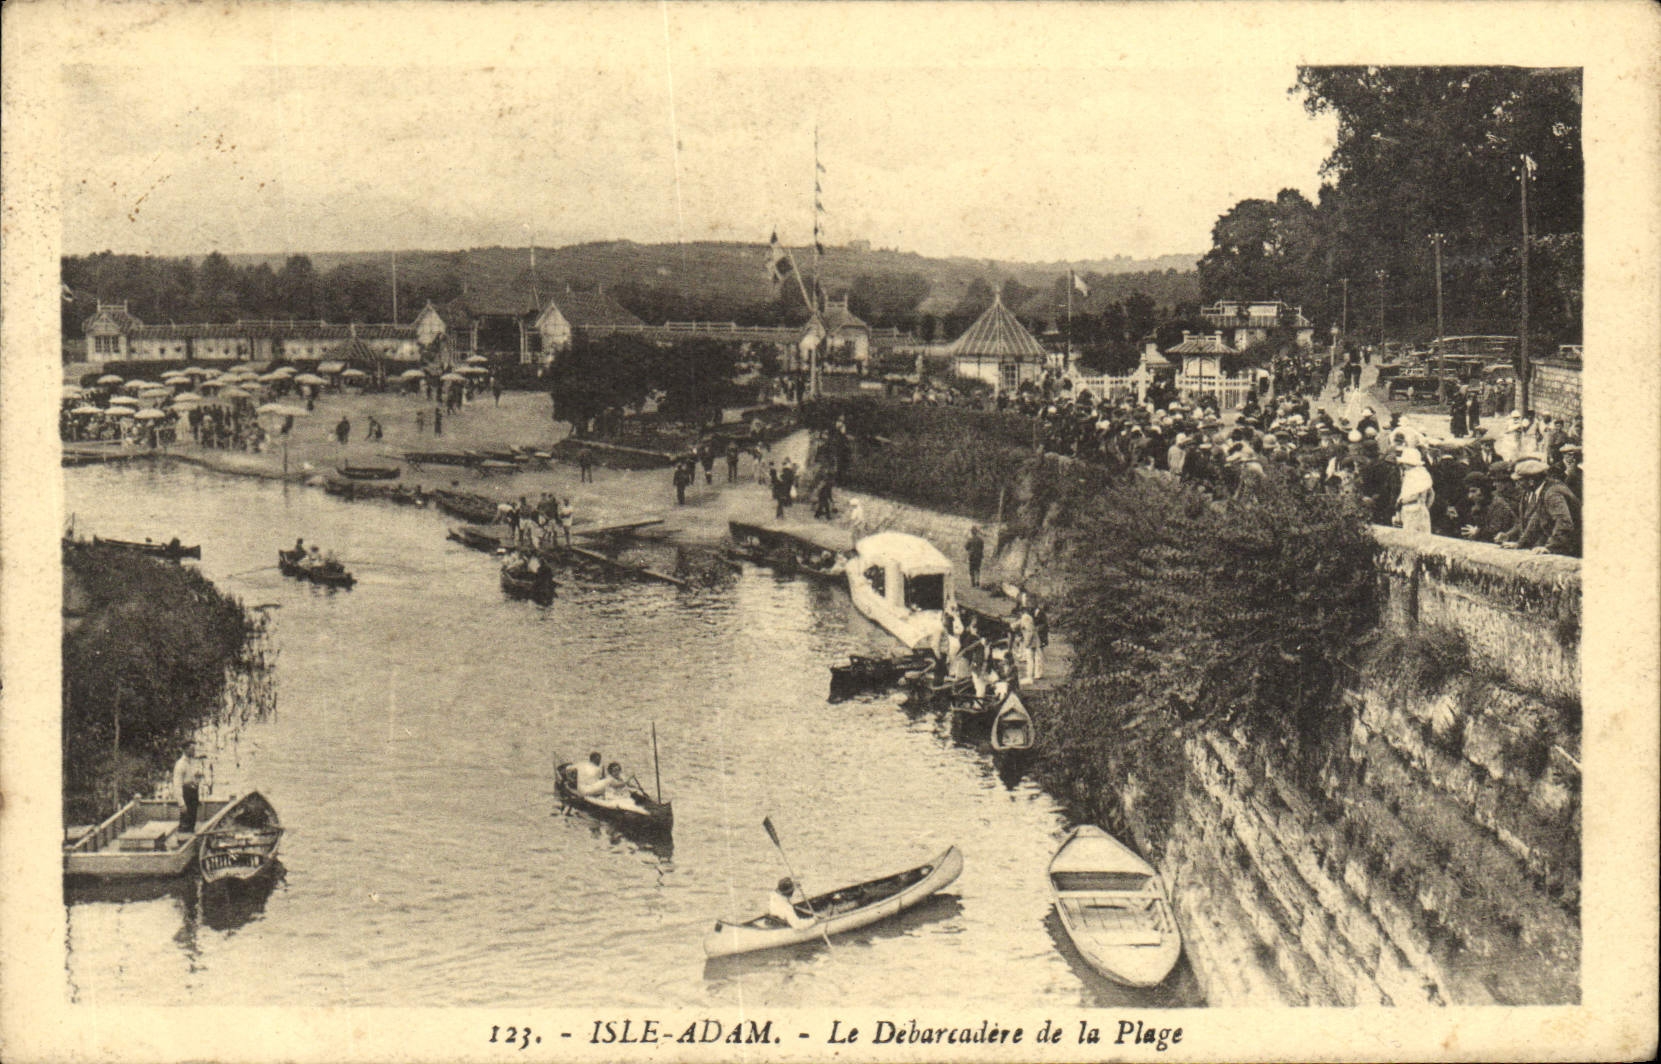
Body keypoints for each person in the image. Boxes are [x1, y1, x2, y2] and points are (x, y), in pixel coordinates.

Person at [1499, 458, 1580, 556]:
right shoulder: (1544, 490)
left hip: (1575, 548)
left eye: (1519, 481)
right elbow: (1535, 520)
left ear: (1531, 481)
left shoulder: (1552, 494)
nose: (1517, 485)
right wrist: (1519, 544)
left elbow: (1564, 522)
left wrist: (1550, 548)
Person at [172, 742, 210, 834]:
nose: (194, 752)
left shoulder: (191, 762)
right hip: (186, 796)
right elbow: (177, 785)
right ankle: (183, 841)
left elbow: (191, 778)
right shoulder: (180, 764)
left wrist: (196, 777)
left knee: (192, 822)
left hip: (193, 795)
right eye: (192, 749)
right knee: (185, 822)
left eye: (194, 749)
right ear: (185, 750)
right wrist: (182, 804)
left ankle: (189, 837)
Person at [1395, 447, 1435, 534]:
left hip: (1411, 509)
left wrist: (1401, 502)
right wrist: (1425, 507)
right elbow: (1431, 494)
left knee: (1410, 536)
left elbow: (1415, 495)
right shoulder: (1423, 473)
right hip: (1421, 509)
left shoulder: (1412, 475)